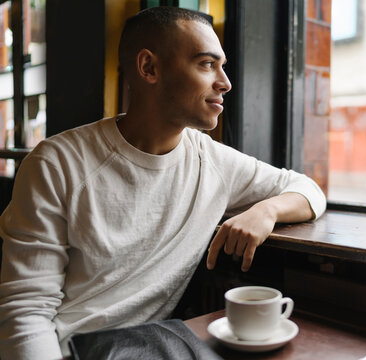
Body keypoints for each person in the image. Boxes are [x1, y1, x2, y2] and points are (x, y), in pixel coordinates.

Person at [0, 6, 326, 360]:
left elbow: (308, 190)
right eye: (206, 64)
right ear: (148, 68)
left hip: (148, 348)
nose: (225, 82)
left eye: (223, 66)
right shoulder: (56, 163)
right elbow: (26, 314)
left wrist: (267, 210)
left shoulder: (212, 160)